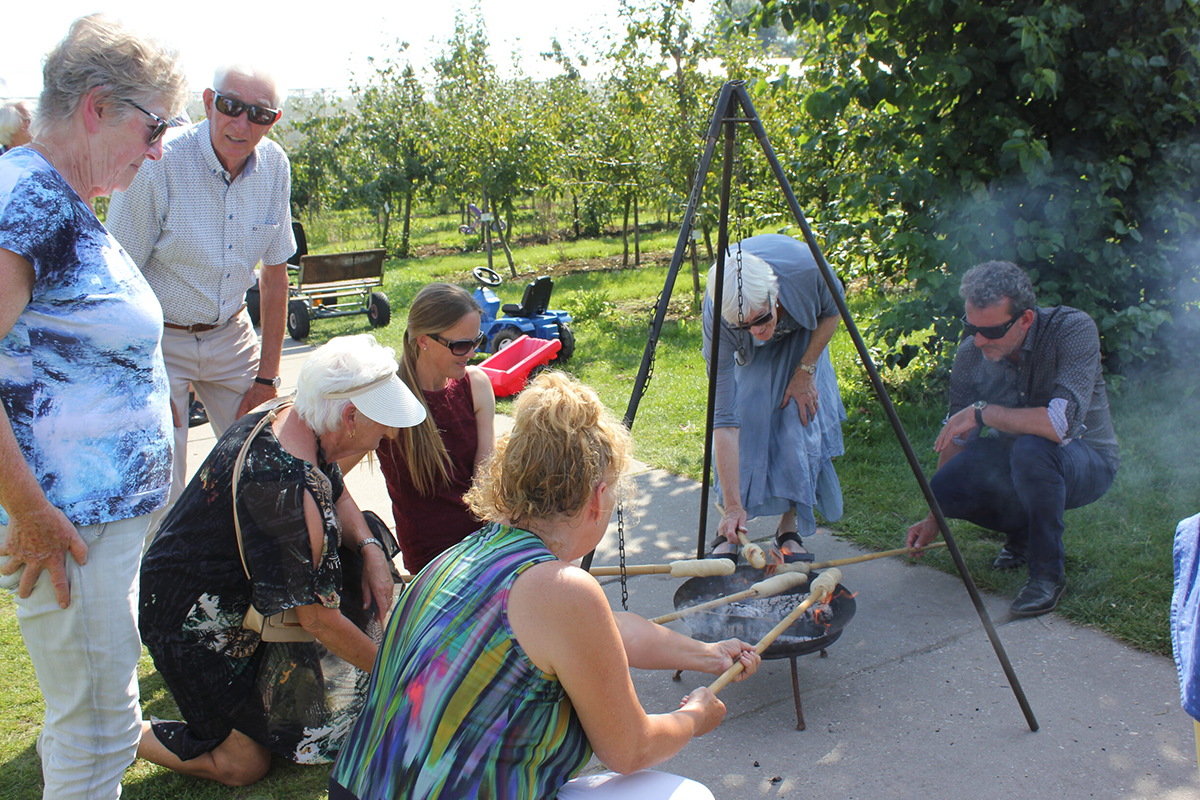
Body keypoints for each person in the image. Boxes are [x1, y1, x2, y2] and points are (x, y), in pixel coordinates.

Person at [330, 372, 761, 800]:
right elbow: (631, 749)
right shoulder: (564, 591)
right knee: (689, 796)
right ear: (596, 497)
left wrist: (708, 654)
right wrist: (695, 717)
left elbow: (613, 633)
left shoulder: (461, 555)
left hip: (356, 787)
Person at [0, 15, 186, 799]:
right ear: (96, 107)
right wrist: (29, 509)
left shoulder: (61, 200)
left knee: (95, 728)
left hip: (92, 523)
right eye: (155, 126)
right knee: (98, 735)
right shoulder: (29, 198)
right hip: (67, 528)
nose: (158, 148)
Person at [136, 334, 426, 785]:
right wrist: (400, 680)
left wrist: (370, 549)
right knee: (243, 765)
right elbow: (316, 619)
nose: (390, 432)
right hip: (191, 622)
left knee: (355, 546)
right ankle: (119, 736)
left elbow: (332, 480)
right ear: (350, 417)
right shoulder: (286, 492)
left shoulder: (298, 414)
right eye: (384, 420)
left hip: (241, 591)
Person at [107, 63, 295, 509]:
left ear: (274, 121)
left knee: (266, 459)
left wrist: (267, 378)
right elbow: (118, 279)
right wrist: (141, 374)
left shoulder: (275, 166)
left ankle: (236, 573)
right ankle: (158, 576)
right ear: (208, 102)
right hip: (159, 338)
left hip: (230, 333)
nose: (242, 124)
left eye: (259, 114)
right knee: (160, 483)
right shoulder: (158, 164)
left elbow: (274, 276)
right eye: (231, 107)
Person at [906, 260, 1119, 617]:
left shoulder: (1072, 329)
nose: (978, 339)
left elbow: (1059, 425)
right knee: (947, 484)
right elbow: (957, 436)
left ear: (1025, 320)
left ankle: (1047, 577)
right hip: (1019, 458)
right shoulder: (970, 354)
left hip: (1087, 459)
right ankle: (1020, 536)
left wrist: (984, 412)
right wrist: (934, 518)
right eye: (971, 326)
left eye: (991, 330)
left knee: (1033, 450)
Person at [702, 233, 847, 564]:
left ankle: (788, 529)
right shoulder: (719, 315)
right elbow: (724, 419)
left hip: (802, 336)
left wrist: (806, 371)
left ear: (775, 293)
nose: (757, 331)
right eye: (744, 326)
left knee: (797, 419)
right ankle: (730, 523)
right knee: (747, 413)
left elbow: (833, 312)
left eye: (762, 319)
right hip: (755, 342)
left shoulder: (809, 272)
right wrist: (735, 505)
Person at [371, 282, 495, 574]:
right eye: (461, 345)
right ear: (424, 341)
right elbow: (331, 470)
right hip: (432, 563)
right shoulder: (390, 400)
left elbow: (485, 474)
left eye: (476, 340)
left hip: (483, 546)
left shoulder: (476, 384)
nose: (472, 352)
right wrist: (365, 542)